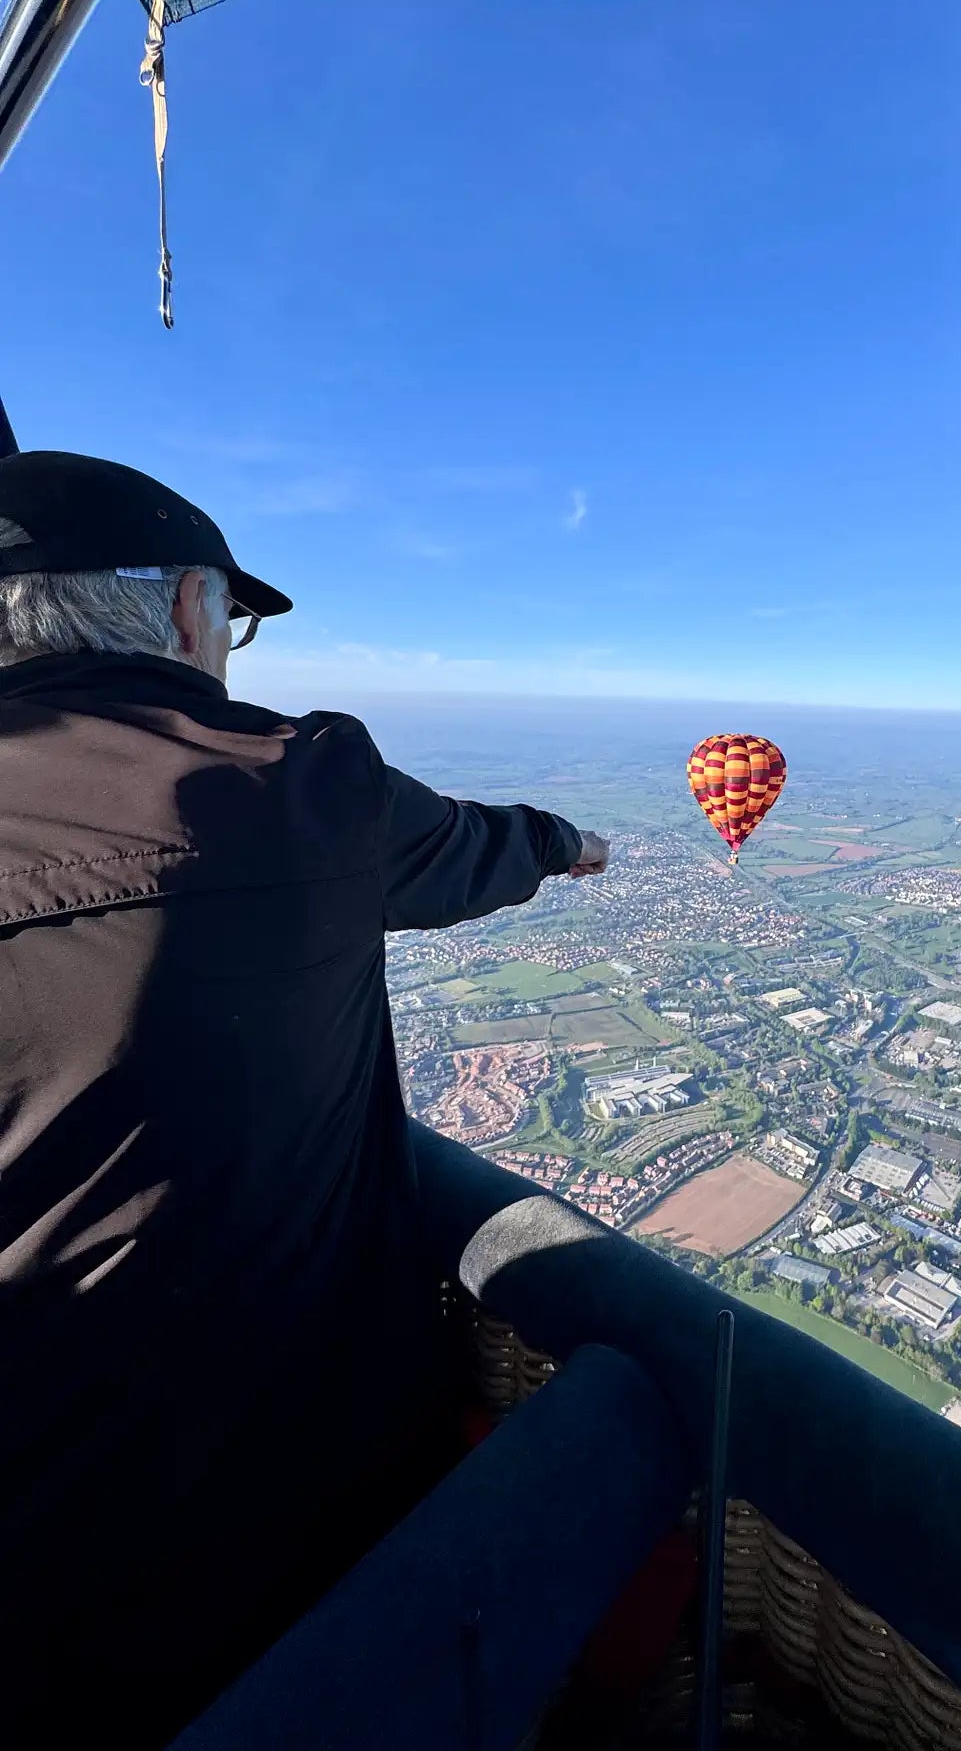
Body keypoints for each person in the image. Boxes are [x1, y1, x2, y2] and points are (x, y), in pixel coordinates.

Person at [0, 451, 609, 1747]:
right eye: (233, 617)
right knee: (657, 1403)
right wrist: (567, 842)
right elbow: (470, 850)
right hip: (314, 1499)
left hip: (38, 1590)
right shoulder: (304, 782)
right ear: (181, 613)